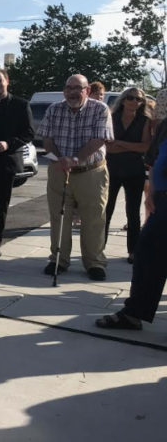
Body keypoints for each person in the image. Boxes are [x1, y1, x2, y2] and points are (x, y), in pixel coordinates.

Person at [38, 74, 114, 281]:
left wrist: (75, 159)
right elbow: (47, 138)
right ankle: (59, 260)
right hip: (59, 171)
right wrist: (60, 159)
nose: (72, 92)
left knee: (93, 219)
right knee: (59, 217)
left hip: (91, 172)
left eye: (77, 88)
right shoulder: (54, 109)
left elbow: (99, 139)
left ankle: (94, 262)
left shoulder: (100, 109)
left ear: (87, 90)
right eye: (68, 88)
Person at [94, 117, 167, 331]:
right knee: (145, 254)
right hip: (162, 201)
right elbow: (153, 159)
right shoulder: (165, 126)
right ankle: (134, 314)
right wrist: (152, 191)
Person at [0, 68, 34, 258]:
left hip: (6, 161)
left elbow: (28, 133)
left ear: (7, 81)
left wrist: (8, 144)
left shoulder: (21, 104)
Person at [104, 87, 152, 263]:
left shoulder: (144, 120)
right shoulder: (111, 117)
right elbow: (106, 146)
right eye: (131, 98)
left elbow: (145, 146)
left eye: (139, 99)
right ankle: (98, 249)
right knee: (106, 210)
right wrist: (131, 146)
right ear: (123, 100)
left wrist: (120, 144)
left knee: (133, 212)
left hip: (134, 170)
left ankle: (133, 251)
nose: (135, 102)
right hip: (112, 168)